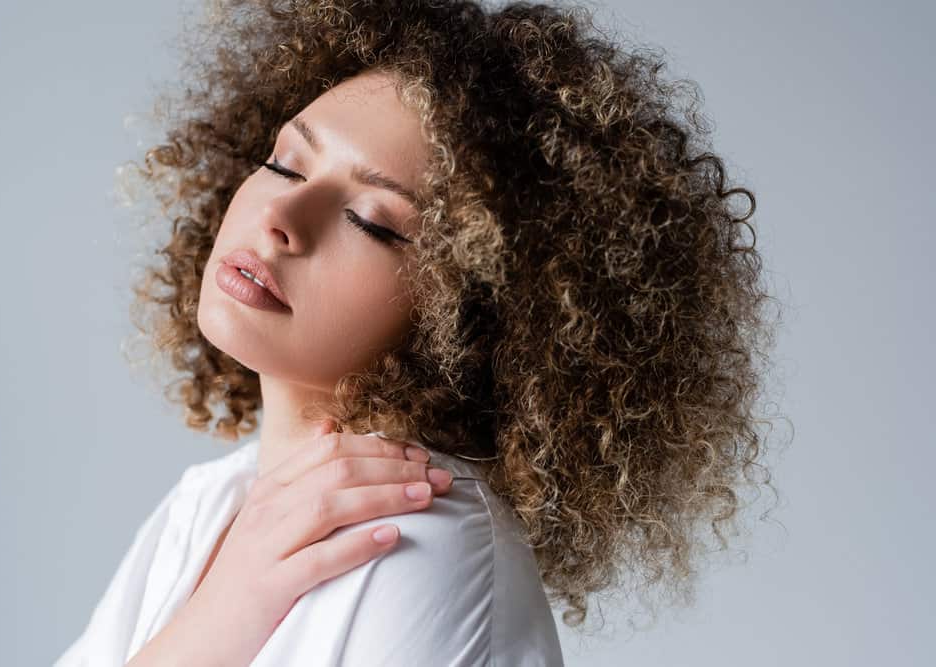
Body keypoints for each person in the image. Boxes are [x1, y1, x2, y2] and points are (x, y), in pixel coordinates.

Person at [56, 0, 782, 665]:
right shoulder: (210, 503)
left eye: (371, 221)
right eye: (285, 161)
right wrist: (221, 610)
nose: (282, 216)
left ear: (469, 315)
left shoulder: (421, 537)